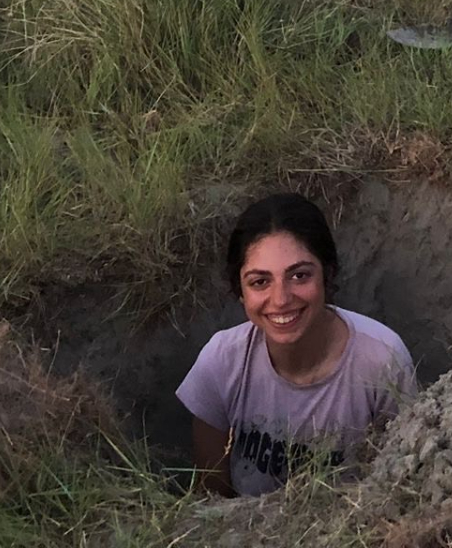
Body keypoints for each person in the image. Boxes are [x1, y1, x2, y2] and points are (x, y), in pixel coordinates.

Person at [177, 192, 416, 496]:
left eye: (299, 275)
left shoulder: (381, 359)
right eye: (260, 282)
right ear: (241, 292)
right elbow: (212, 498)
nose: (281, 299)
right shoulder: (221, 361)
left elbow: (400, 482)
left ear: (327, 275)